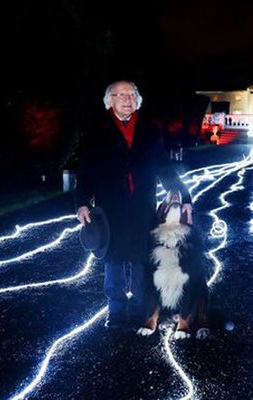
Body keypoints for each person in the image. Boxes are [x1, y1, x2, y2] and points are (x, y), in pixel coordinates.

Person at [75, 80, 193, 330]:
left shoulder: (149, 130)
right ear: (110, 100)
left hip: (142, 207)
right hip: (111, 209)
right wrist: (82, 203)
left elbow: (166, 169)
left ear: (138, 100)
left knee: (142, 260)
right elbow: (86, 172)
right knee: (113, 261)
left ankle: (142, 309)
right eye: (121, 95)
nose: (128, 99)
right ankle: (116, 311)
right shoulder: (95, 131)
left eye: (132, 95)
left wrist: (185, 197)